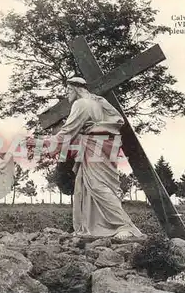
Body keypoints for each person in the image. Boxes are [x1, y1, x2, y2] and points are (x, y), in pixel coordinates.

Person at [38, 77, 144, 239]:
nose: (66, 95)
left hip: (95, 147)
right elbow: (116, 121)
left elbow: (67, 132)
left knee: (97, 185)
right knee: (86, 185)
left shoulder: (81, 104)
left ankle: (124, 225)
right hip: (102, 146)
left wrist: (41, 143)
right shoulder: (99, 102)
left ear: (76, 89)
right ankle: (91, 226)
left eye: (68, 91)